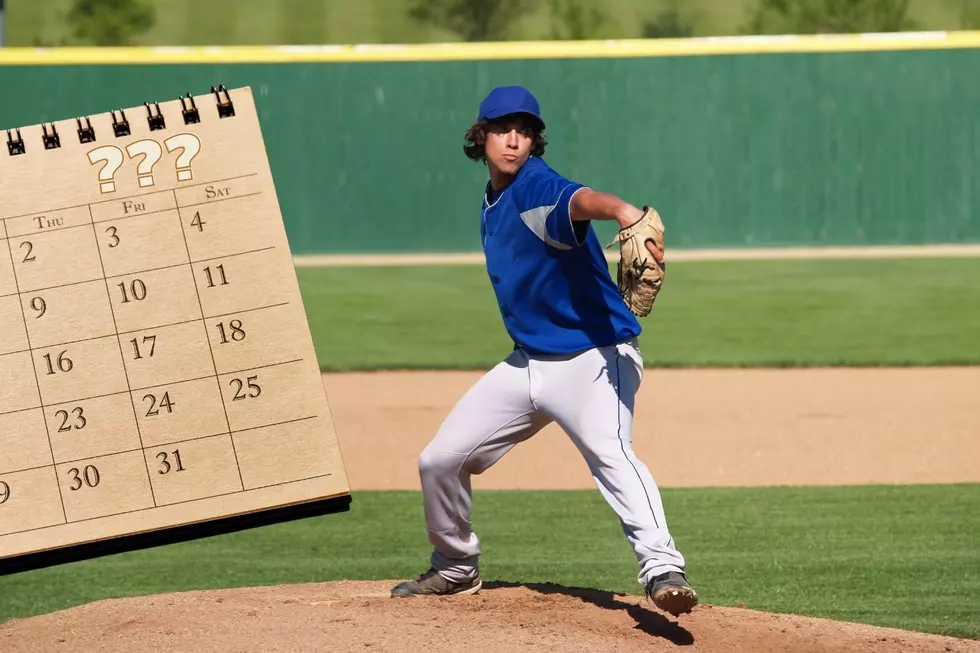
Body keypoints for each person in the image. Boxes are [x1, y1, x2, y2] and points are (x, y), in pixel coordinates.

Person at [390, 85, 698, 617]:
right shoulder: (493, 200)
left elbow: (578, 200)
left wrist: (623, 210)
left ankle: (663, 569)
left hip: (594, 359)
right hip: (528, 362)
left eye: (525, 131)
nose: (513, 140)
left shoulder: (536, 188)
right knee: (439, 459)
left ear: (535, 140)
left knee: (612, 454)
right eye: (503, 129)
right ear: (480, 136)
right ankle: (455, 566)